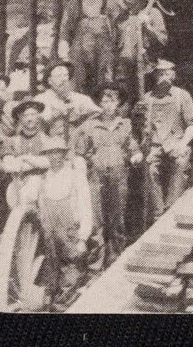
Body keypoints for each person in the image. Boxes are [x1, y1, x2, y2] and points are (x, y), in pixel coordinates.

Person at [73, 83, 141, 263]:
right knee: (96, 218)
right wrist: (80, 165)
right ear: (100, 103)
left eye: (113, 101)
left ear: (118, 104)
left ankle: (116, 255)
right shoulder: (89, 126)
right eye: (104, 101)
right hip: (96, 177)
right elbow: (79, 151)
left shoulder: (125, 124)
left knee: (117, 216)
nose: (108, 105)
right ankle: (96, 258)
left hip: (119, 177)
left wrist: (136, 154)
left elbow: (131, 145)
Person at [35, 131, 95, 294]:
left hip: (70, 234)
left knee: (71, 272)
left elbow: (85, 207)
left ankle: (66, 304)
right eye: (50, 153)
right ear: (46, 155)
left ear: (64, 154)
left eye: (58, 152)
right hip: (51, 236)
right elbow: (40, 207)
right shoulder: (44, 178)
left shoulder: (75, 176)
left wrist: (83, 238)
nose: (54, 157)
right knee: (52, 272)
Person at [140, 60, 193, 219]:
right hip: (155, 145)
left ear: (174, 75)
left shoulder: (182, 96)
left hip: (177, 142)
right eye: (160, 73)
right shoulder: (147, 98)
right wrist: (146, 148)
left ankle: (171, 208)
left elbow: (192, 125)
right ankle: (158, 213)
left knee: (181, 162)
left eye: (167, 73)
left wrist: (183, 143)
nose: (164, 77)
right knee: (149, 169)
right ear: (154, 76)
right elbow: (143, 129)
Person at [58, 0, 118, 99]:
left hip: (102, 50)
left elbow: (119, 25)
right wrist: (63, 49)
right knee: (77, 84)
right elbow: (65, 29)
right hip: (80, 50)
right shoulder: (74, 3)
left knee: (104, 84)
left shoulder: (109, 1)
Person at [114, 0, 167, 110]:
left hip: (146, 70)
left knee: (145, 106)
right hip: (124, 72)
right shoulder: (121, 18)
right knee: (124, 107)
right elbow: (114, 45)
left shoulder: (153, 14)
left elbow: (163, 41)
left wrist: (149, 28)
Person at [0, 101, 50, 225]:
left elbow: (48, 162)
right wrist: (29, 163)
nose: (30, 118)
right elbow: (9, 165)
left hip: (43, 186)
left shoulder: (47, 140)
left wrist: (24, 159)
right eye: (26, 115)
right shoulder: (12, 142)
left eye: (33, 114)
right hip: (17, 185)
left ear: (38, 117)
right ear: (20, 118)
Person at [37, 61, 100, 142]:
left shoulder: (80, 98)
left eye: (66, 75)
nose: (63, 79)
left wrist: (83, 124)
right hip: (51, 145)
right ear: (49, 80)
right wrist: (56, 115)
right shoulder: (41, 100)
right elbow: (36, 125)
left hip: (77, 144)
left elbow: (99, 113)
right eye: (58, 76)